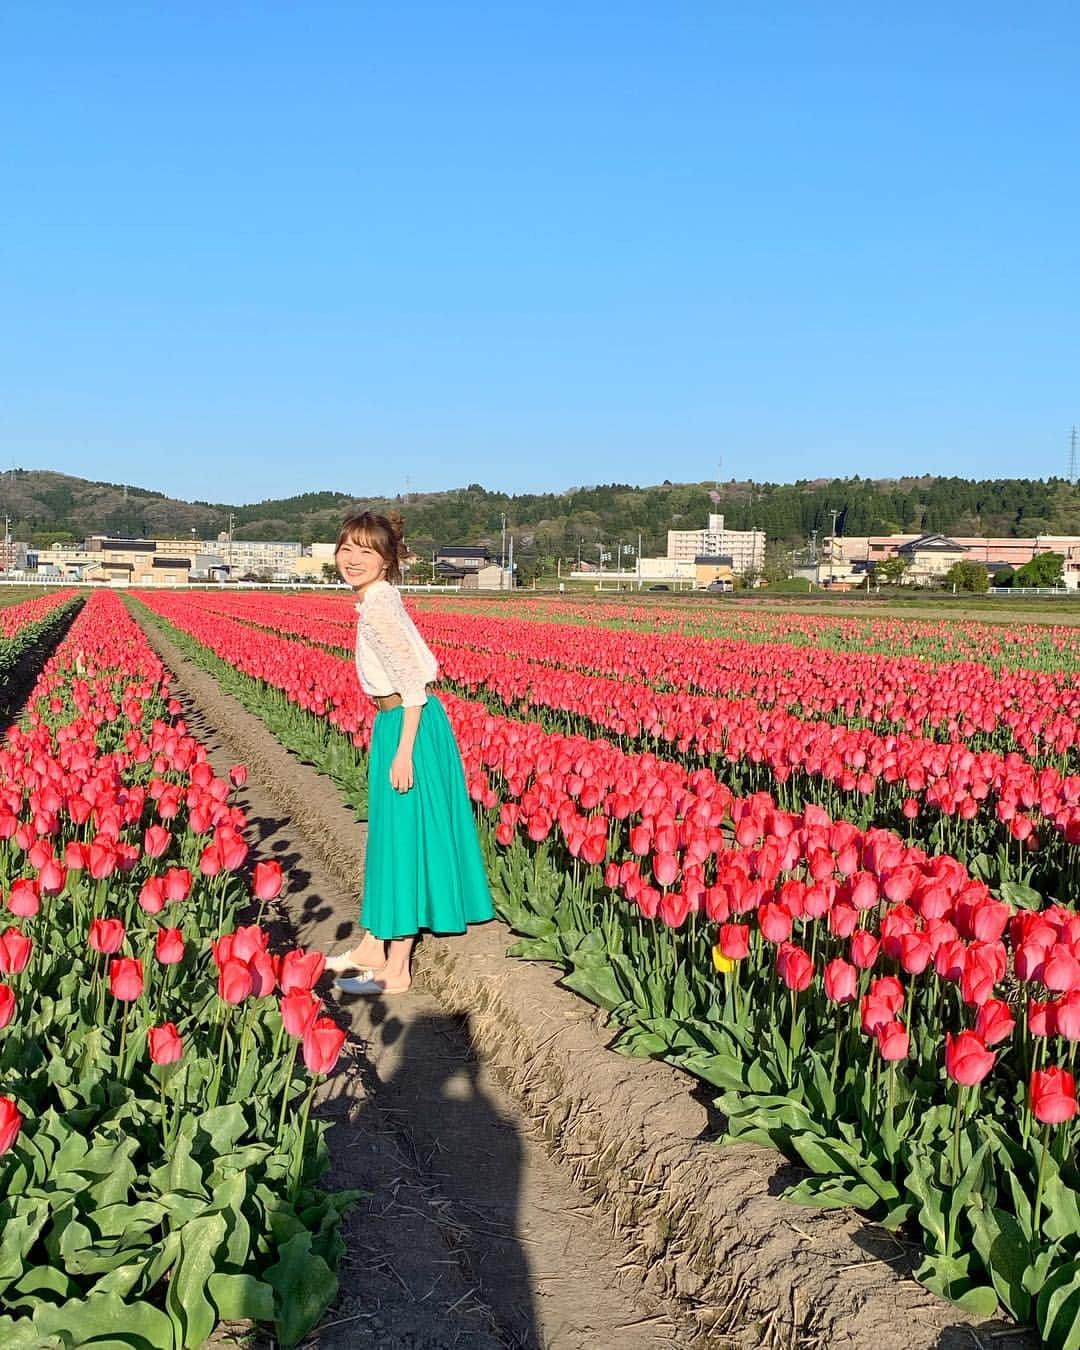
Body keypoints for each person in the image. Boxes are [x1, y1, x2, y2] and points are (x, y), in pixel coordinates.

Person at [326, 510, 494, 995]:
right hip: (399, 723)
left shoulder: (378, 605)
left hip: (407, 725)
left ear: (386, 561)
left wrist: (403, 753)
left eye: (366, 551)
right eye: (347, 548)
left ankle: (395, 971)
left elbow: (414, 686)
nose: (352, 559)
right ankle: (372, 946)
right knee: (392, 833)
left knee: (403, 838)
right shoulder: (379, 598)